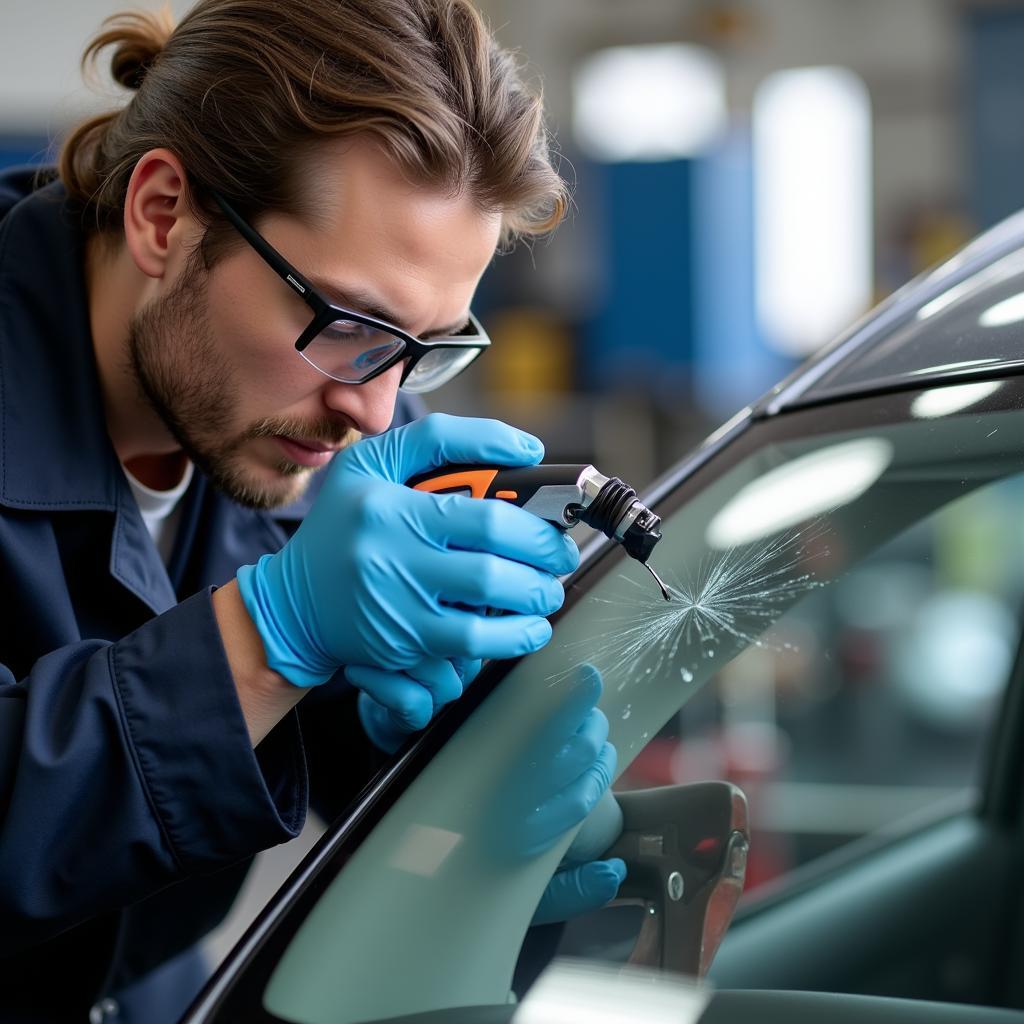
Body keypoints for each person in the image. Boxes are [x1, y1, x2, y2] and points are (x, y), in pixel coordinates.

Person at [0, 1, 625, 1019]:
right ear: (163, 216)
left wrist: (469, 809)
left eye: (427, 345)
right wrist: (266, 637)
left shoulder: (345, 425)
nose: (373, 407)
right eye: (345, 322)